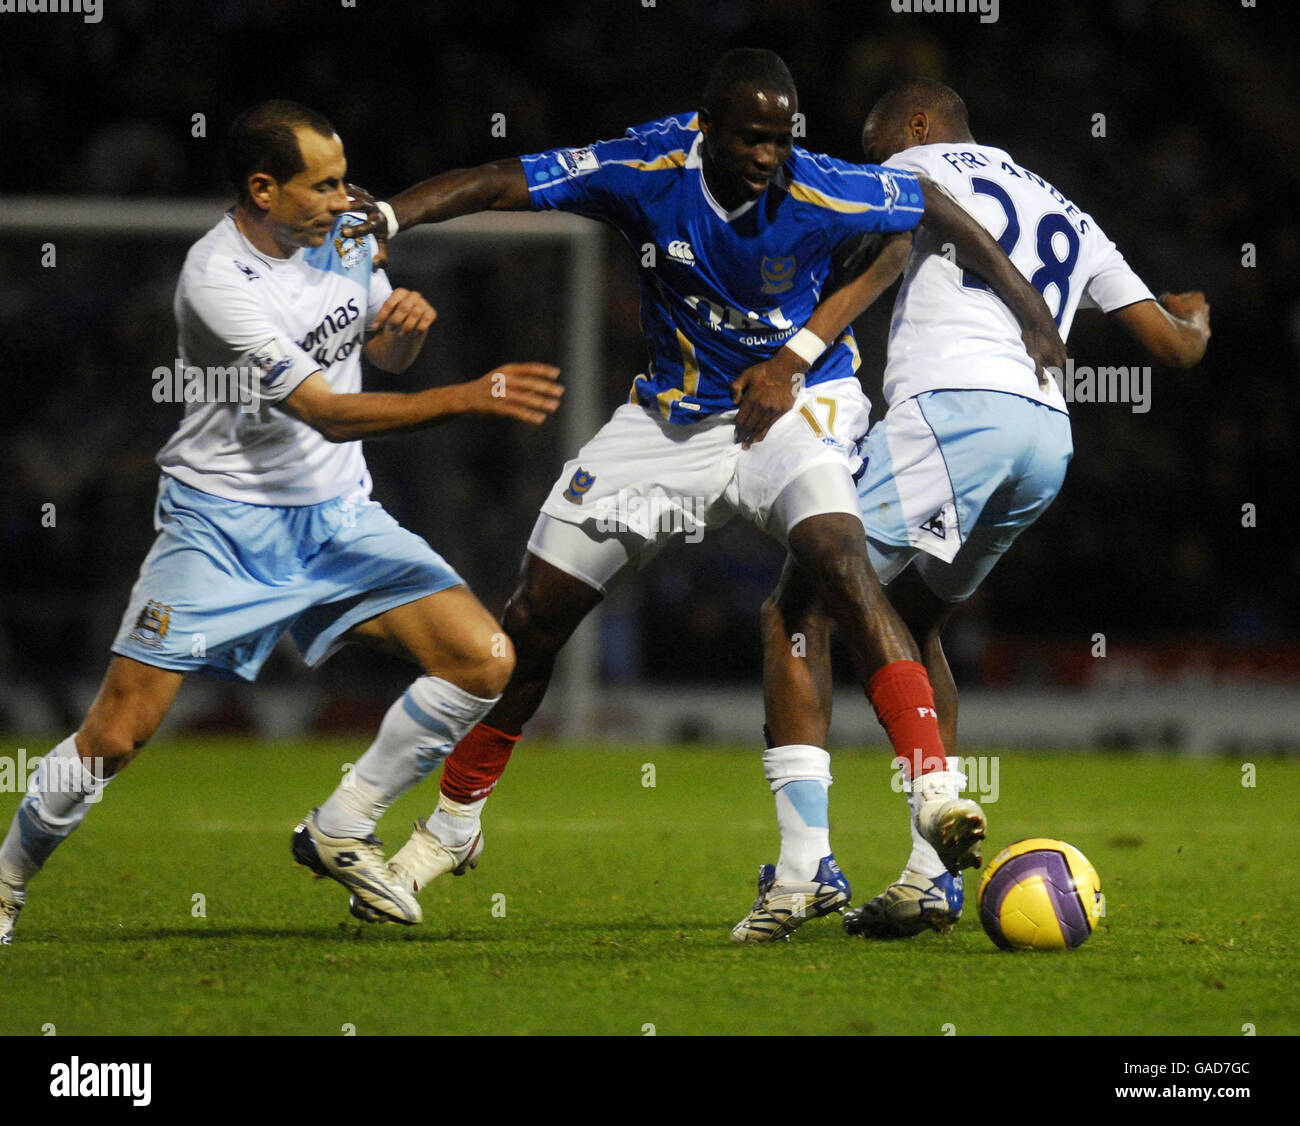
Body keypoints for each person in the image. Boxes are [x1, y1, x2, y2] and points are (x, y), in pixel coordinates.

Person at [340, 50, 1065, 935]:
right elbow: (501, 180)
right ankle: (453, 823)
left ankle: (935, 794)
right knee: (533, 621)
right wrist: (387, 215)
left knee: (838, 560)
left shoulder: (820, 184)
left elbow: (929, 211)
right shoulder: (645, 169)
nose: (770, 157)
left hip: (798, 406)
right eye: (752, 139)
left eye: (781, 138)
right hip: (672, 424)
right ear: (707, 127)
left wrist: (1026, 310)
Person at [0, 100, 564, 945]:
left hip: (337, 519)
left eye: (345, 178)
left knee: (483, 661)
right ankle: (6, 884)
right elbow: (326, 412)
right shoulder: (215, 281)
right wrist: (466, 395)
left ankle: (340, 826)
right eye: (323, 184)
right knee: (118, 733)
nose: (346, 200)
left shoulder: (344, 236)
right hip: (222, 525)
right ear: (262, 189)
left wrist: (401, 332)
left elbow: (372, 349)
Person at [753, 77, 1211, 941]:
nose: (871, 159)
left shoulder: (919, 164)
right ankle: (930, 881)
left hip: (950, 413)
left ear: (919, 125)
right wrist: (1198, 316)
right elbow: (1173, 347)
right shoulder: (1068, 210)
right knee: (914, 624)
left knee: (798, 609)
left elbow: (898, 201)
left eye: (875, 140)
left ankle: (805, 863)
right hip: (1044, 439)